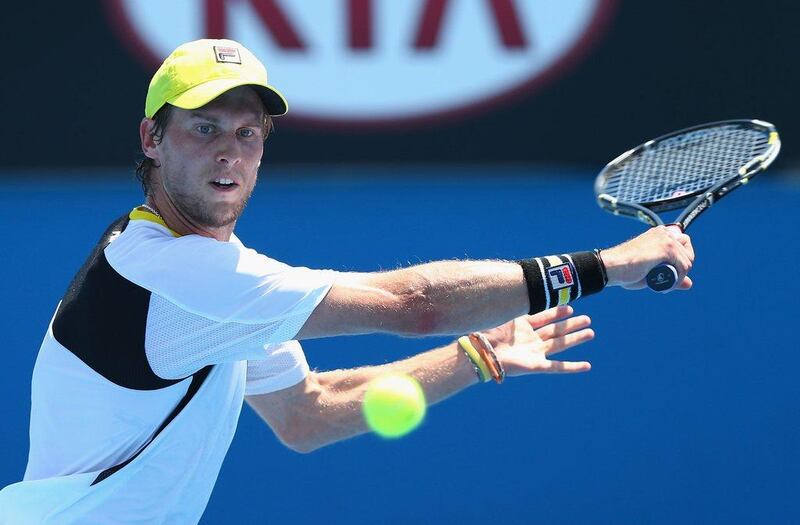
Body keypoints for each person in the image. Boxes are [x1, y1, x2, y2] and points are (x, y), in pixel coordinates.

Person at [0, 39, 694, 524]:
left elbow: (308, 412)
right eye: (204, 127)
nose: (228, 152)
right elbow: (415, 305)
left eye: (248, 134)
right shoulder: (178, 273)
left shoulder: (208, 280)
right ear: (152, 138)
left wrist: (475, 356)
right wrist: (608, 265)